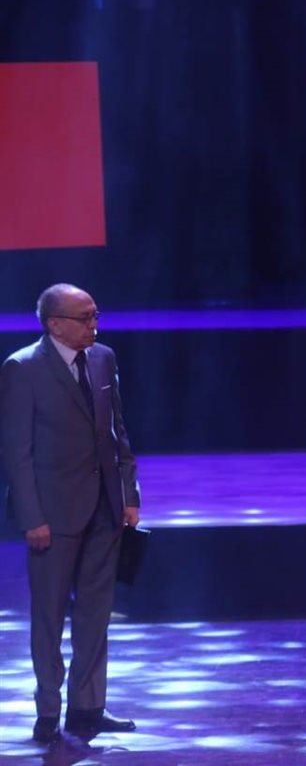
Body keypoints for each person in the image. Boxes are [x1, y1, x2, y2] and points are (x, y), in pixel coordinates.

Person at [0, 284, 141, 744]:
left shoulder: (103, 358)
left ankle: (87, 708)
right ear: (54, 324)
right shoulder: (22, 368)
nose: (94, 325)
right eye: (85, 318)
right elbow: (17, 452)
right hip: (53, 516)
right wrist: (31, 518)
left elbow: (118, 431)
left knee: (96, 615)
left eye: (96, 315)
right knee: (49, 616)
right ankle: (47, 710)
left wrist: (129, 493)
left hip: (105, 508)